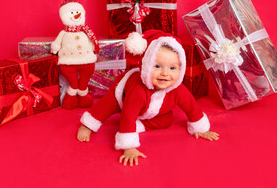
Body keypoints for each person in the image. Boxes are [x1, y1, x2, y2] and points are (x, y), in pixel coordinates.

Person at [77, 30, 219, 166]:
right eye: (157, 66)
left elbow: (191, 107)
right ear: (146, 66)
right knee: (105, 106)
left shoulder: (178, 90)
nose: (165, 73)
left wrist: (200, 128)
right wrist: (129, 147)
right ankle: (87, 124)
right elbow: (128, 115)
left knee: (167, 120)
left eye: (172, 68)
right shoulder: (138, 92)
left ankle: (140, 124)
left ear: (180, 69)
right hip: (123, 98)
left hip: (153, 110)